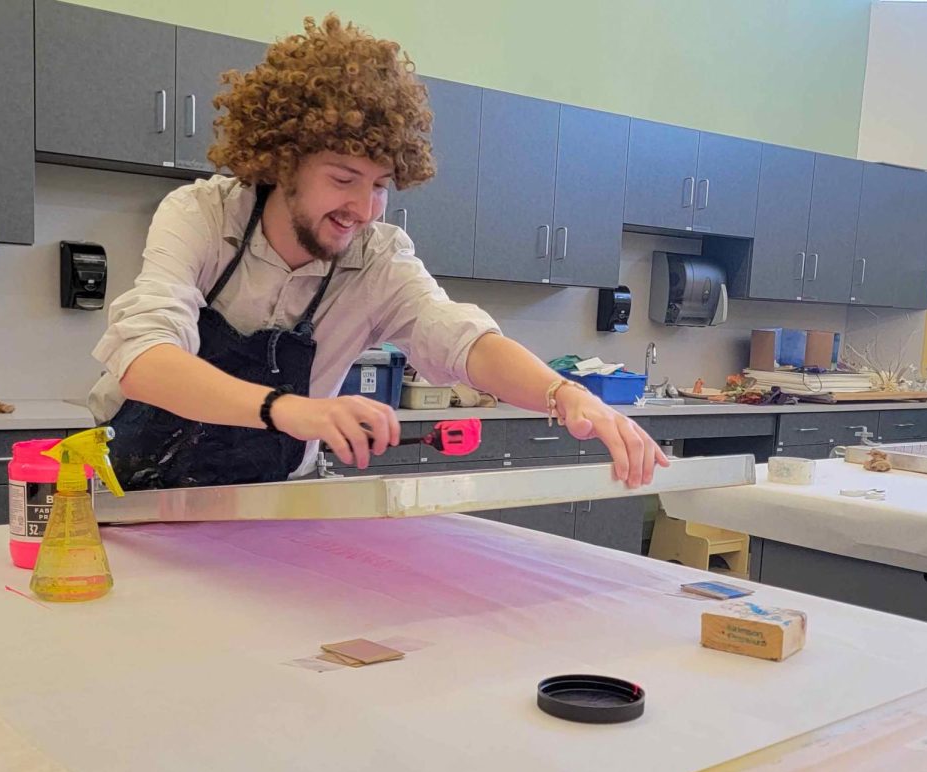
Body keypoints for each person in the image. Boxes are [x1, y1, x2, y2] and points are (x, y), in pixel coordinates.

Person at [88, 14, 667, 491]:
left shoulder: (376, 258)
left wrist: (563, 394)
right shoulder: (203, 217)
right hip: (127, 495)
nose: (364, 208)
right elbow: (145, 360)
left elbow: (458, 337)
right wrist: (293, 410)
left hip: (269, 506)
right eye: (344, 178)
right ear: (284, 161)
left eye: (381, 184)